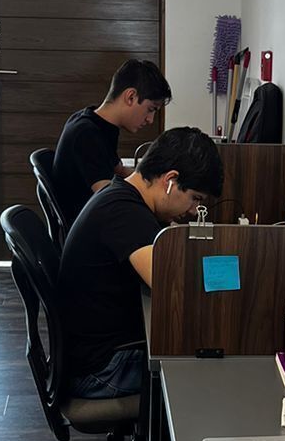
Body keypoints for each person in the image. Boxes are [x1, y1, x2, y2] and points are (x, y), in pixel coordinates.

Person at [58, 127, 224, 398]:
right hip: (101, 370)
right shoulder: (125, 213)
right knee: (208, 372)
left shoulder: (121, 195)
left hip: (95, 352)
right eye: (195, 198)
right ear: (170, 180)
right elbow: (173, 289)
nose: (194, 211)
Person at [52, 58, 172, 227]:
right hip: (89, 228)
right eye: (150, 109)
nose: (150, 119)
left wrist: (155, 182)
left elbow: (120, 170)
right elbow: (109, 198)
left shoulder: (97, 123)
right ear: (131, 97)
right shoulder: (86, 133)